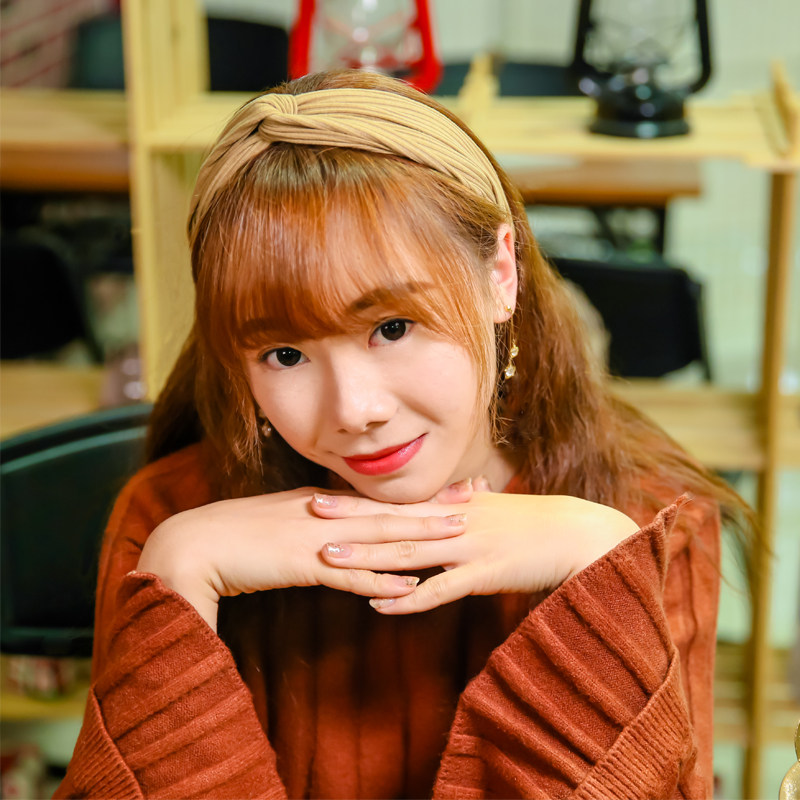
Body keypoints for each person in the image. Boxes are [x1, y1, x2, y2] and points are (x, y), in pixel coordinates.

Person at [56, 69, 750, 799]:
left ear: (500, 272)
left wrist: (600, 571)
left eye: (392, 327)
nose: (354, 410)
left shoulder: (649, 518)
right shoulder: (169, 520)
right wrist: (179, 572)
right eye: (284, 354)